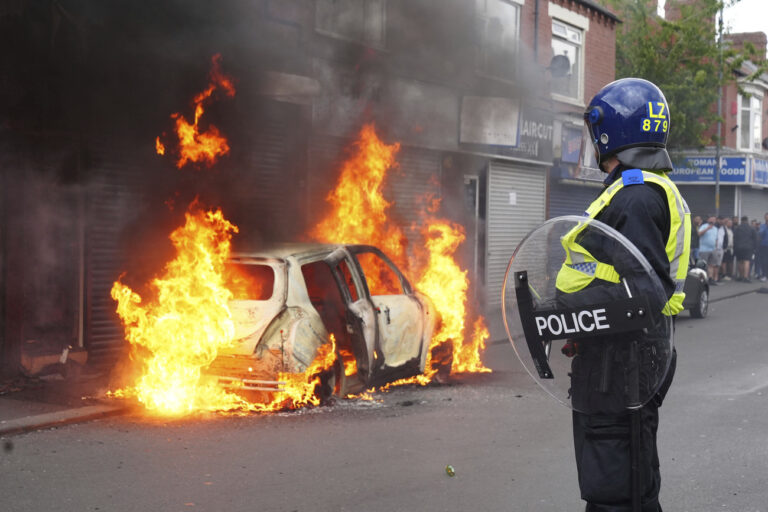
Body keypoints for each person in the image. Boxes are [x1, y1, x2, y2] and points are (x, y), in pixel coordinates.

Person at [559, 78, 690, 512]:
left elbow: (643, 295)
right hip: (621, 358)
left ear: (610, 131)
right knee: (624, 481)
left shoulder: (634, 197)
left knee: (616, 490)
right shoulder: (641, 189)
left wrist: (564, 312)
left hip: (622, 365)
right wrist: (582, 326)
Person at [698, 215, 722, 285]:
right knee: (703, 264)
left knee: (711, 265)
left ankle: (710, 278)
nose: (712, 221)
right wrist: (707, 229)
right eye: (711, 219)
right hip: (704, 249)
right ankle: (702, 279)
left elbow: (716, 239)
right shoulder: (704, 226)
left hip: (713, 249)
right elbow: (699, 234)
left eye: (714, 219)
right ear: (708, 220)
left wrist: (716, 248)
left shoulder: (715, 229)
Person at [733, 215, 757, 282]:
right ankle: (745, 277)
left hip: (738, 247)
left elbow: (734, 238)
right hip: (748, 247)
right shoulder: (751, 228)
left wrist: (735, 247)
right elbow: (755, 239)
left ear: (741, 220)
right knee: (746, 262)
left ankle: (740, 276)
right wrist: (755, 248)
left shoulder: (737, 228)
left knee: (740, 261)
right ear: (747, 220)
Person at [720, 216, 734, 281]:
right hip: (725, 248)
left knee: (730, 262)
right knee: (724, 262)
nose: (731, 224)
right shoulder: (723, 229)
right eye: (729, 223)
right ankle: (724, 274)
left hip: (730, 249)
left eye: (731, 223)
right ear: (726, 223)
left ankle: (729, 274)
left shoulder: (731, 230)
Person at [759, 213, 768, 282]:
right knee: (764, 261)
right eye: (765, 217)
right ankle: (764, 275)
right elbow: (760, 234)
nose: (766, 219)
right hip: (764, 245)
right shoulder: (762, 226)